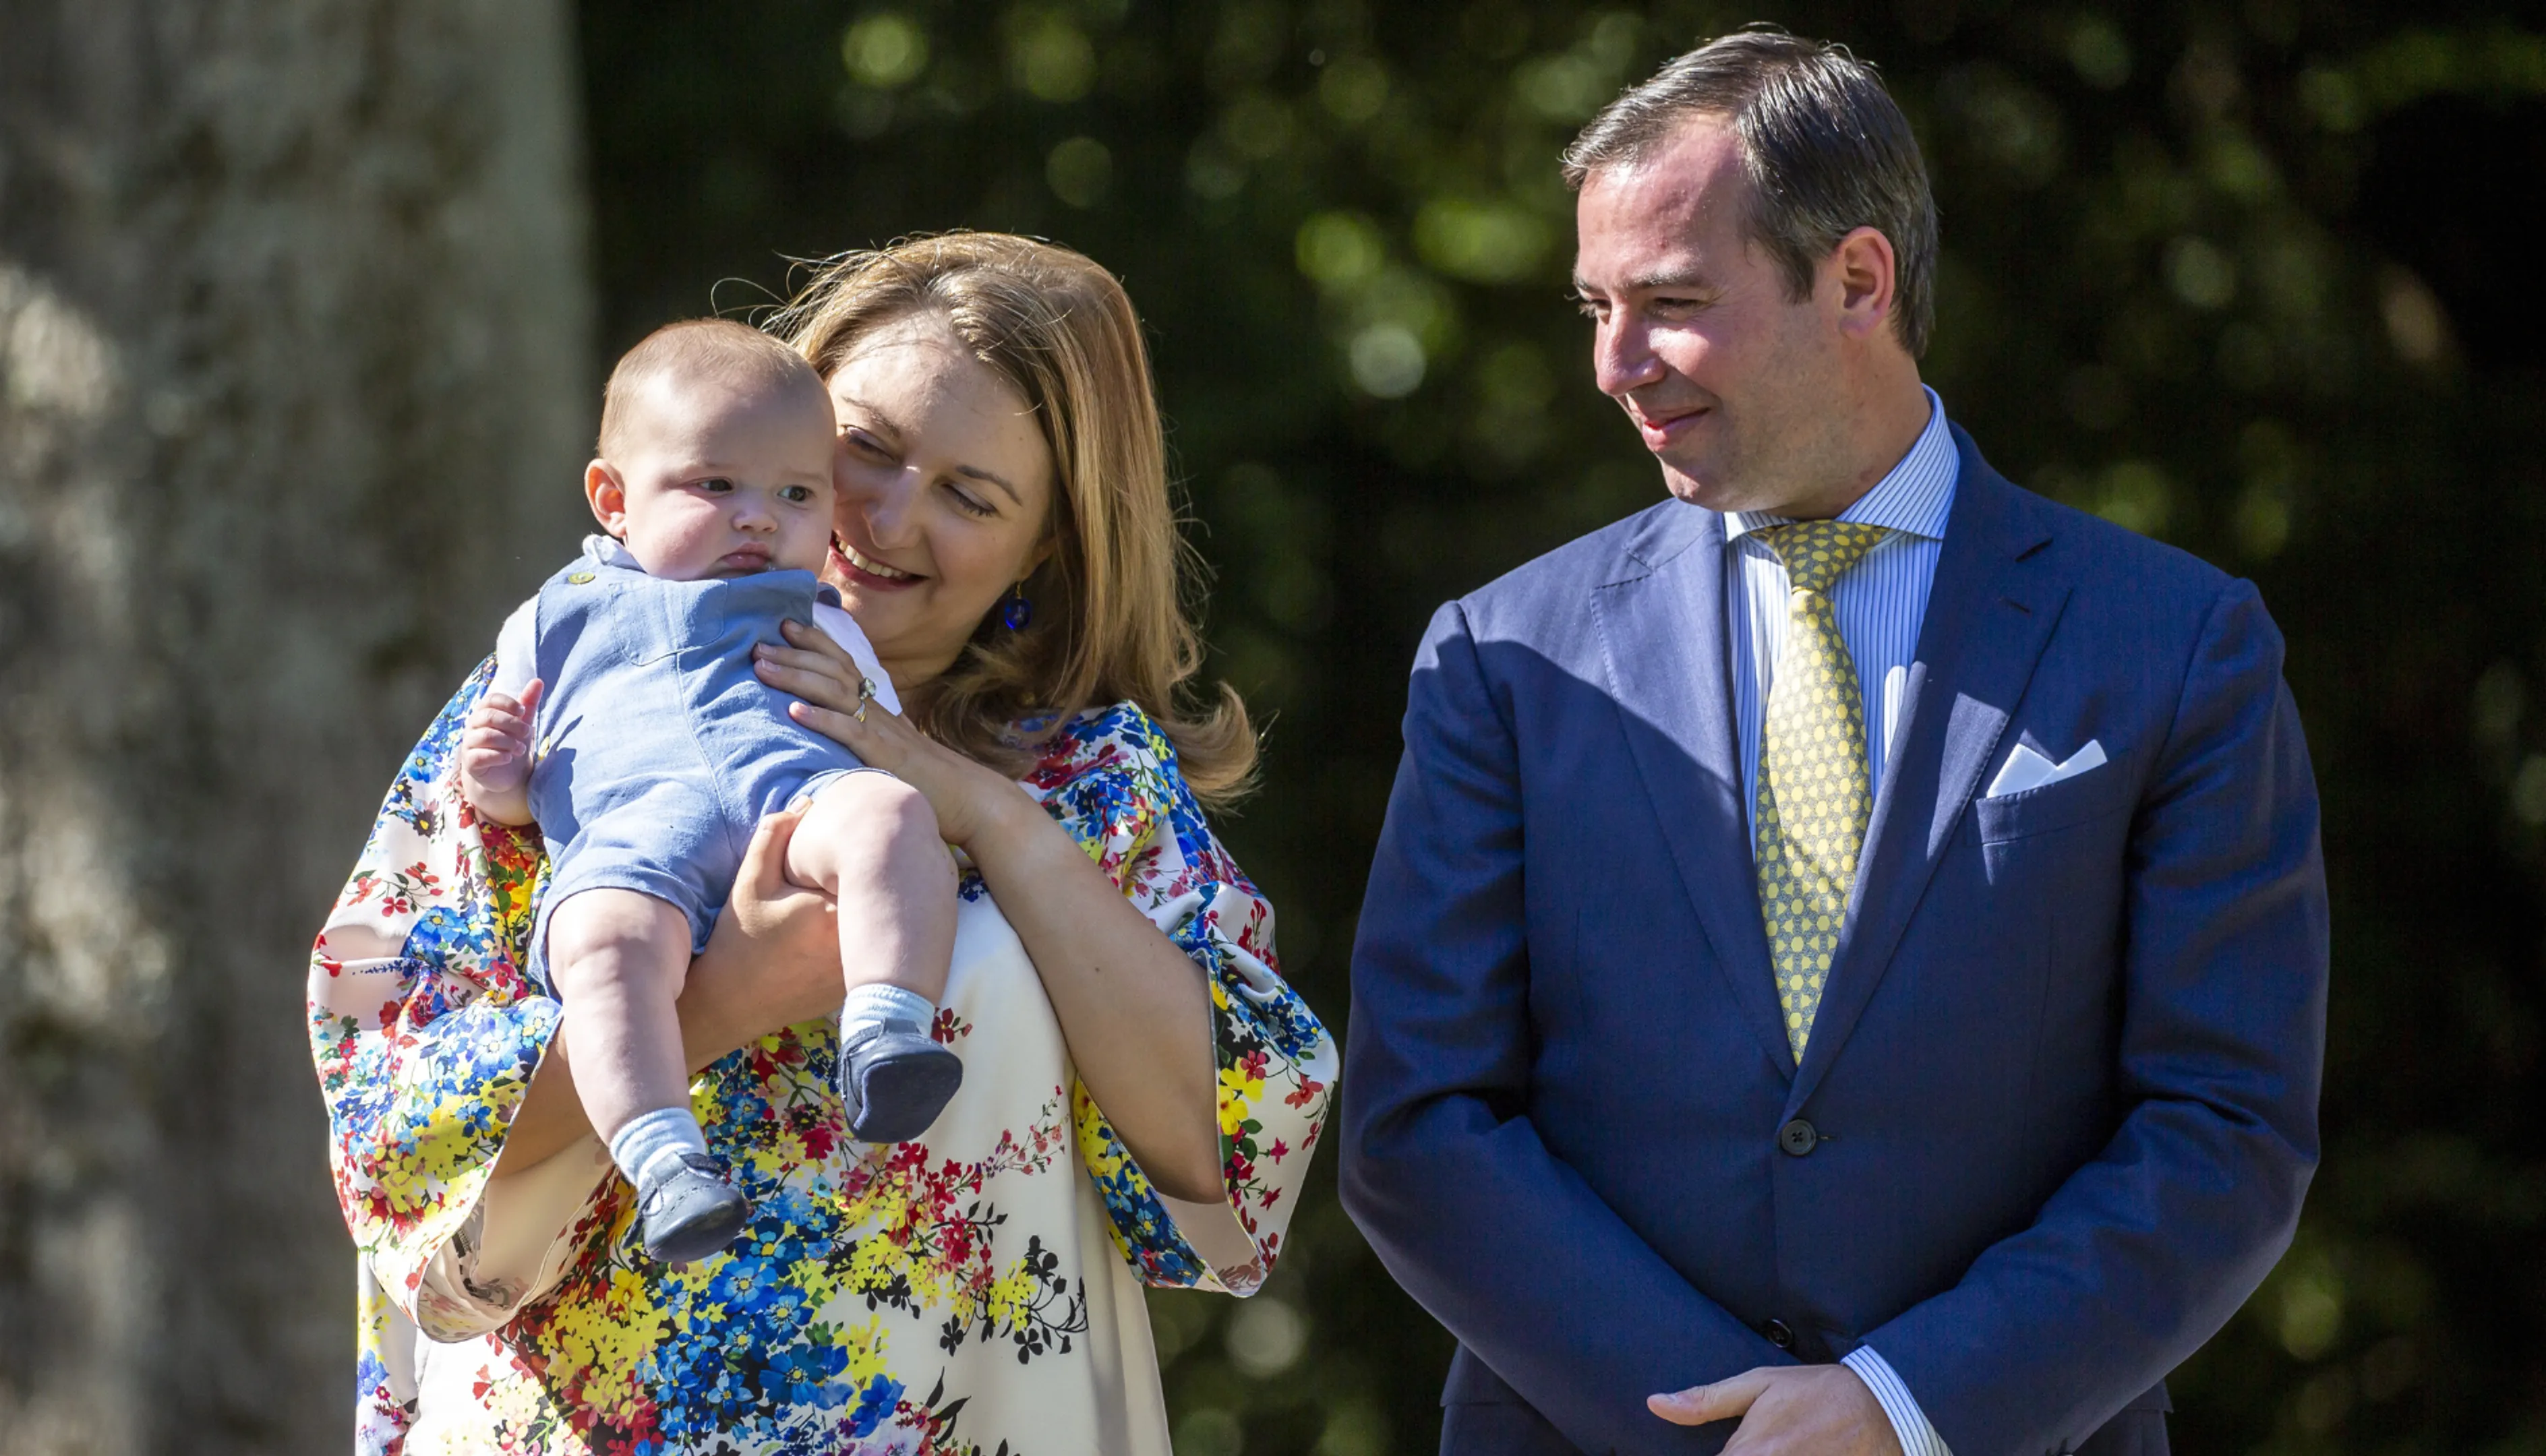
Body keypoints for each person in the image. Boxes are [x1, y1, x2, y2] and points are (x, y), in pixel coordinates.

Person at [1340, 28, 2327, 1456]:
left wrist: (1903, 1408)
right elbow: (1419, 1123)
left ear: (1858, 280)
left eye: (1672, 301)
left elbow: (2224, 1126)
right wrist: (1734, 1430)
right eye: (1593, 306)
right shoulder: (1505, 654)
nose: (1615, 365)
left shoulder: (2177, 645)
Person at [309, 233, 1336, 1455]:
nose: (880, 518)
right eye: (866, 451)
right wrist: (726, 993)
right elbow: (395, 1129)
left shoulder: (1091, 783)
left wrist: (984, 813)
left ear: (1046, 544)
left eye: (970, 494)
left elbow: (1226, 1158)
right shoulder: (557, 709)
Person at [461, 319, 967, 1267]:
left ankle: (889, 1027)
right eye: (716, 486)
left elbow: (889, 747)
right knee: (601, 946)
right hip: (633, 837)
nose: (759, 518)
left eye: (795, 493)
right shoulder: (551, 615)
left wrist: (867, 723)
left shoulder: (817, 614)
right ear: (614, 498)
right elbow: (513, 794)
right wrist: (494, 774)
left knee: (893, 819)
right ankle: (665, 1161)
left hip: (793, 796)